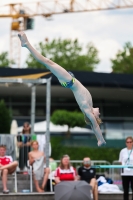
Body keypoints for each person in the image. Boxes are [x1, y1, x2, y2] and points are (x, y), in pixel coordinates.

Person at [18, 32, 106, 147]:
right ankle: (26, 44)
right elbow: (94, 123)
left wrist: (100, 139)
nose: (99, 113)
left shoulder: (88, 110)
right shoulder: (89, 105)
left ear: (93, 117)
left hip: (69, 81)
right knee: (47, 62)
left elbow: (95, 126)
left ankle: (26, 44)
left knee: (47, 62)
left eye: (98, 116)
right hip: (70, 80)